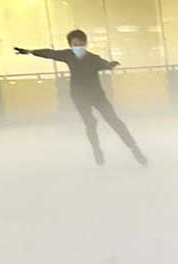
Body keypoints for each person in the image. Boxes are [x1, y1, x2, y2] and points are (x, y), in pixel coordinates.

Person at [14, 29, 146, 166]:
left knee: (113, 120)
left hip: (97, 95)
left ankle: (134, 149)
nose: (78, 47)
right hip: (79, 96)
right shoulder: (68, 55)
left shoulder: (93, 58)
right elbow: (50, 53)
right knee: (90, 123)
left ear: (85, 43)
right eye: (75, 44)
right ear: (70, 45)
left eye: (81, 44)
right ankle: (96, 150)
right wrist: (30, 51)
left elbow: (104, 64)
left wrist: (110, 65)